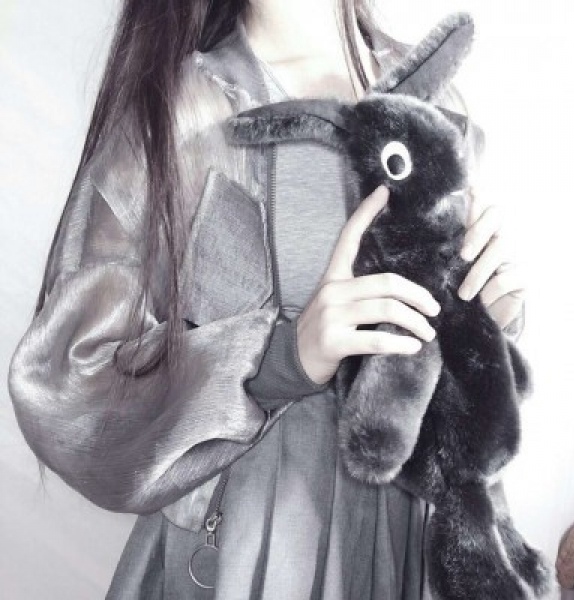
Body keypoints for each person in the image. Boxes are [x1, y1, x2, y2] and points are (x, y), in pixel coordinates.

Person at [7, 0, 525, 598]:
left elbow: (451, 379)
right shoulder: (185, 114)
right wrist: (283, 358)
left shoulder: (436, 95)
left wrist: (489, 321)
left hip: (412, 545)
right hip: (257, 550)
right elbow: (69, 379)